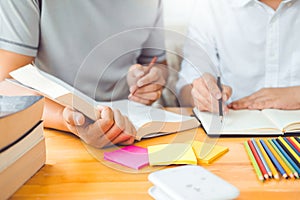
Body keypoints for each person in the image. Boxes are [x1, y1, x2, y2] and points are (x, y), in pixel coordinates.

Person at [0, 0, 168, 148]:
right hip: (54, 132)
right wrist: (66, 120)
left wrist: (149, 79)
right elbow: (7, 83)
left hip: (132, 127)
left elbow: (158, 63)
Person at [177, 0, 300, 113]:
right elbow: (186, 87)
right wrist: (201, 95)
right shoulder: (210, 6)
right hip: (232, 123)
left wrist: (296, 95)